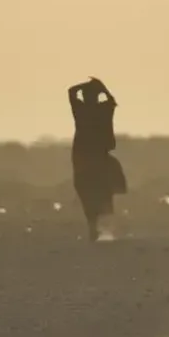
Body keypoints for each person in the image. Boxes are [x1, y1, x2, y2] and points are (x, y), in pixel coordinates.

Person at [68, 78, 127, 240]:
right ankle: (100, 230)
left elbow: (71, 91)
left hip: (87, 158)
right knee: (101, 194)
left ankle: (97, 229)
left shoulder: (82, 110)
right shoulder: (101, 109)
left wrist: (89, 86)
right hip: (94, 157)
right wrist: (102, 89)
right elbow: (112, 101)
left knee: (93, 194)